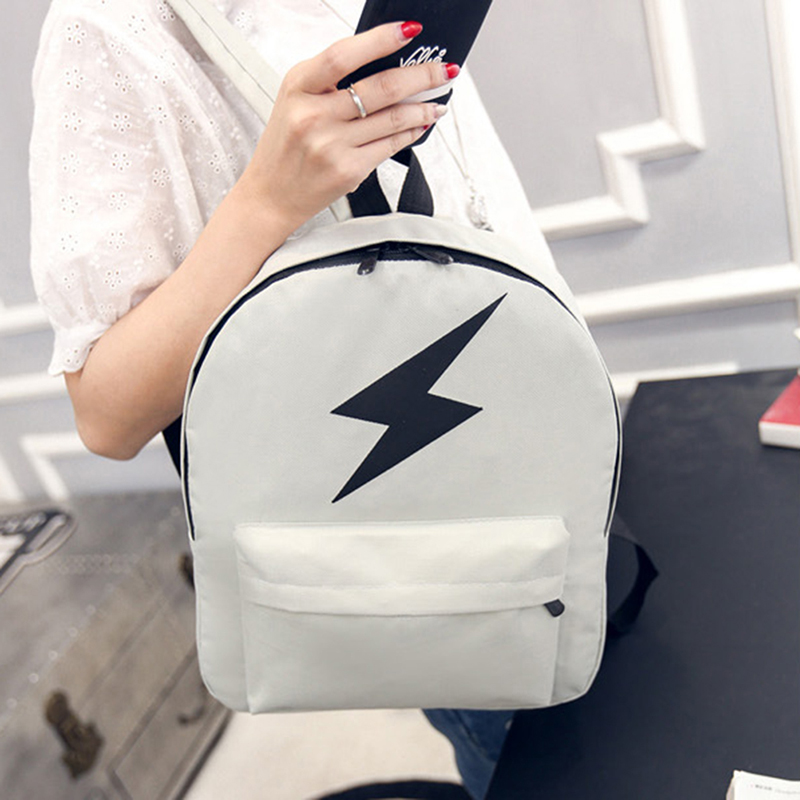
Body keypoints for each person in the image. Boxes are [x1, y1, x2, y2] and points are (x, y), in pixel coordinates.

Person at [29, 1, 539, 797]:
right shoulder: (109, 24)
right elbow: (106, 414)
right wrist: (268, 201)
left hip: (540, 426)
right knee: (547, 750)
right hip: (431, 520)